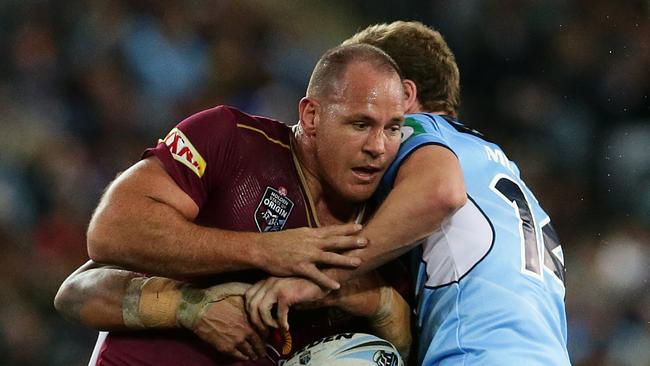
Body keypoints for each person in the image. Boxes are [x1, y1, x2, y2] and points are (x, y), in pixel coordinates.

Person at [55, 43, 416, 365]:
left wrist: (362, 295)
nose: (378, 147)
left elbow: (410, 345)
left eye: (392, 128)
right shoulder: (231, 141)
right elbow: (110, 234)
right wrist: (262, 252)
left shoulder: (392, 221)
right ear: (311, 116)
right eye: (360, 124)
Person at [248, 21, 571, 365]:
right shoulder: (495, 165)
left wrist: (321, 278)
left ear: (403, 95)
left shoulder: (420, 130)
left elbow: (441, 193)